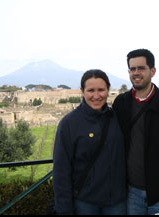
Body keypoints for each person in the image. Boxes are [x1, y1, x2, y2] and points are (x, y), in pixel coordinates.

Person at [112, 49, 159, 215]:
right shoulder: (121, 104)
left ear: (152, 71)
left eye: (141, 68)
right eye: (132, 69)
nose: (136, 73)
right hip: (131, 194)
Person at [53, 69, 127, 215]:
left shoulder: (117, 119)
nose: (96, 96)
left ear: (108, 90)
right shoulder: (69, 124)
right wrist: (64, 209)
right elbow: (61, 170)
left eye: (101, 90)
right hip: (85, 203)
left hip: (117, 203)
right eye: (91, 90)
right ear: (82, 91)